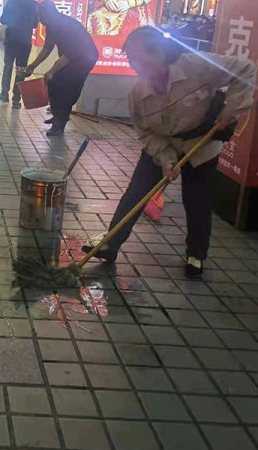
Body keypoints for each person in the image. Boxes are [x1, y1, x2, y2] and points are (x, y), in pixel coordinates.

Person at [83, 26, 255, 278]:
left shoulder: (196, 66)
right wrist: (165, 160)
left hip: (201, 145)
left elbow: (246, 69)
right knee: (136, 194)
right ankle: (110, 245)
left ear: (160, 53)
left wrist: (232, 109)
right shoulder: (138, 94)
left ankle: (196, 255)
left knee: (197, 200)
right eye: (132, 61)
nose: (137, 68)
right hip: (163, 145)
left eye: (141, 60)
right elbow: (146, 133)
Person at [25, 0, 98, 136]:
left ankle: (59, 125)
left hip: (85, 58)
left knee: (66, 89)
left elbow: (70, 54)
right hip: (72, 57)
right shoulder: (51, 26)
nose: (39, 20)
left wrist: (52, 71)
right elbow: (47, 49)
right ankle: (57, 115)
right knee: (54, 82)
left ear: (47, 13)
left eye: (40, 15)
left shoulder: (63, 25)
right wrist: (32, 66)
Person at [0, 0, 38, 109]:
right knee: (21, 69)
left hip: (12, 40)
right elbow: (35, 24)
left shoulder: (12, 3)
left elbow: (3, 20)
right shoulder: (34, 5)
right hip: (25, 42)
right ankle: (16, 99)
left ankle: (4, 94)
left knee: (8, 66)